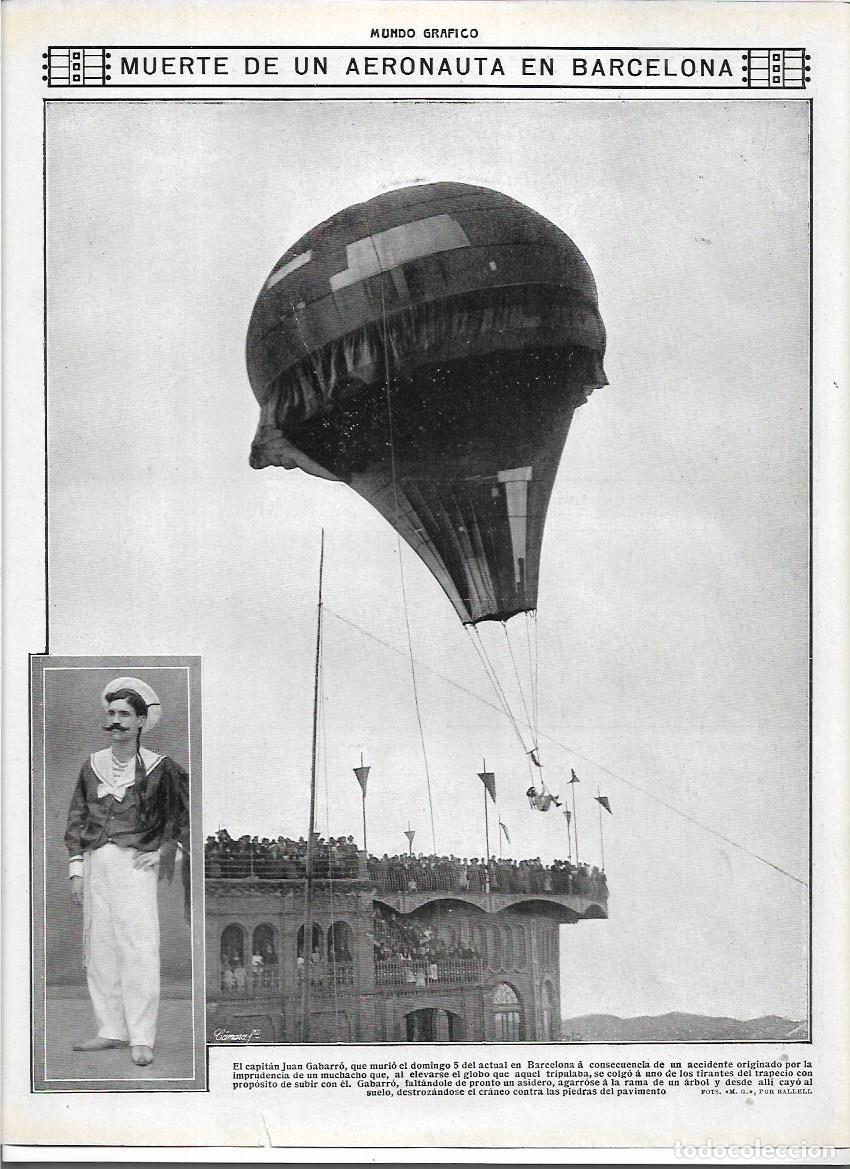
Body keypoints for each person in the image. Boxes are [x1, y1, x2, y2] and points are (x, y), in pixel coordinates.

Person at [64, 676, 189, 1068]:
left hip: (134, 865)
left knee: (137, 948)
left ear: (140, 721)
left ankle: (141, 1037)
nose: (115, 720)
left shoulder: (160, 768)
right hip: (97, 863)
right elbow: (77, 816)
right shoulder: (92, 765)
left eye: (124, 714)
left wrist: (169, 852)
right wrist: (76, 867)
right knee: (100, 948)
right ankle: (110, 1029)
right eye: (111, 713)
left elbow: (180, 819)